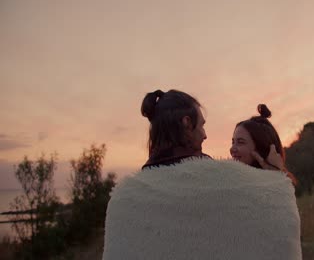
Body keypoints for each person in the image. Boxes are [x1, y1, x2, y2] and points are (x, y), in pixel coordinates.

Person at [103, 89, 301, 260]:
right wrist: (276, 177)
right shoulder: (225, 181)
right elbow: (279, 236)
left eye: (239, 142)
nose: (205, 135)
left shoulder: (123, 197)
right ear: (187, 123)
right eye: (202, 125)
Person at [230, 104, 298, 186]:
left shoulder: (272, 187)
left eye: (241, 142)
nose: (232, 149)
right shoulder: (229, 180)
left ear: (259, 148)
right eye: (233, 142)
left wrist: (276, 171)